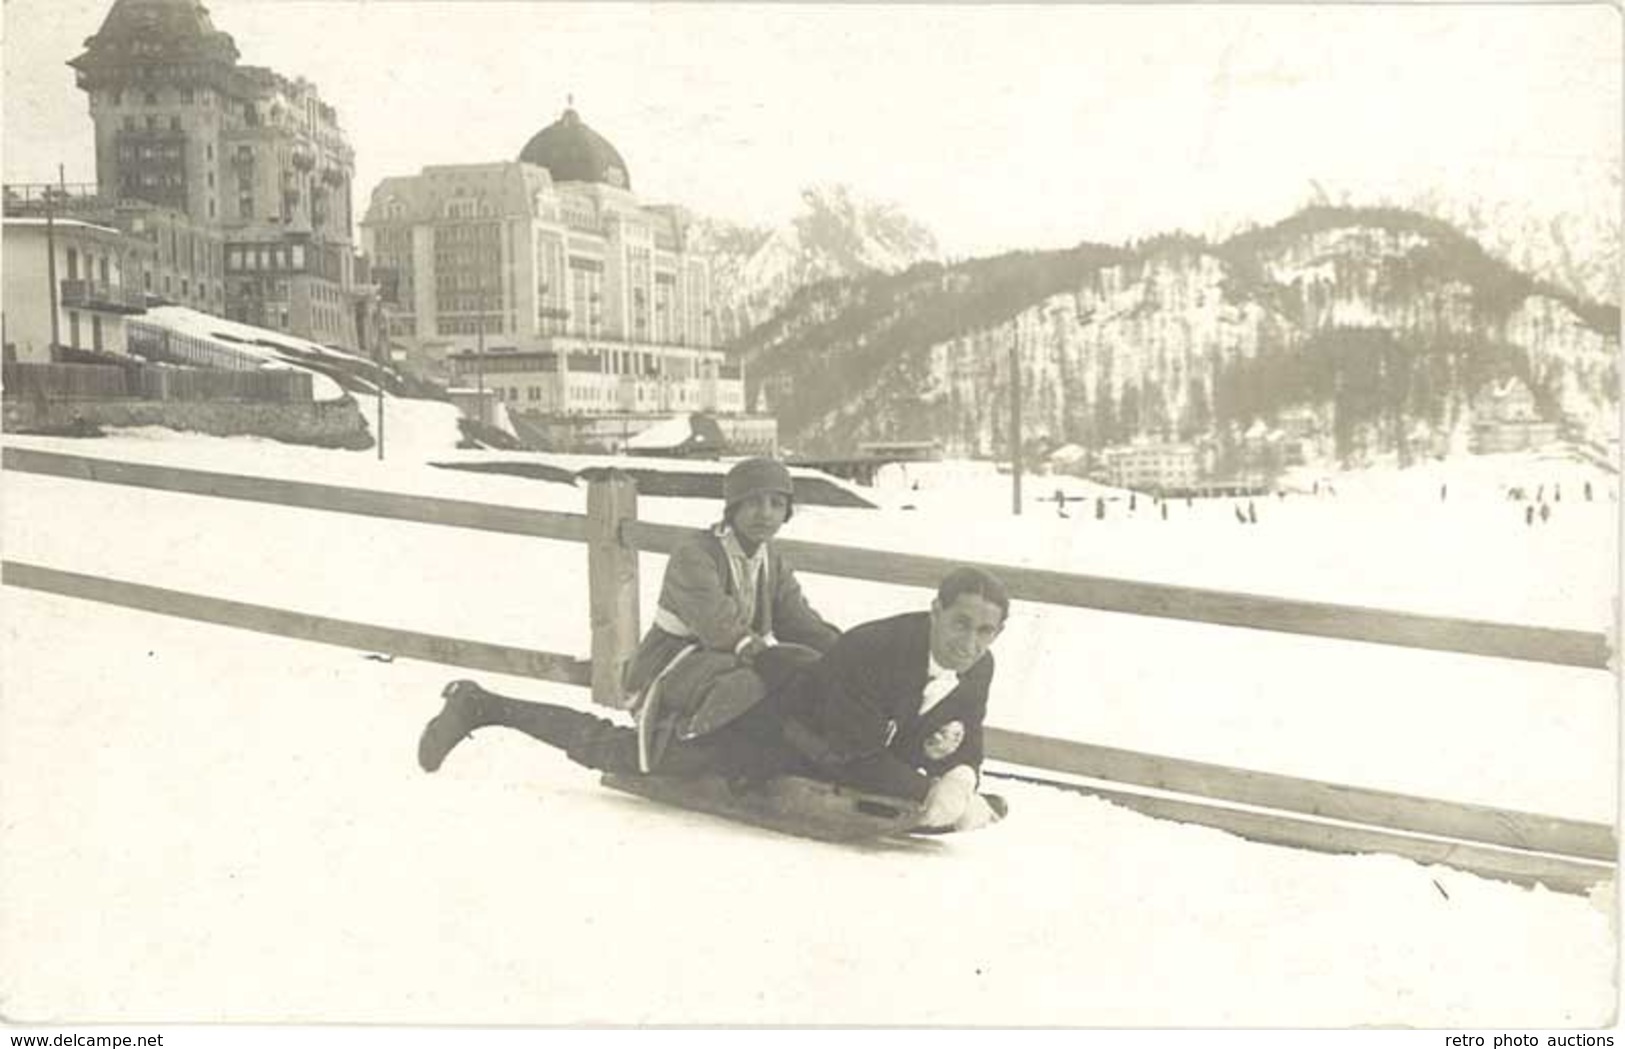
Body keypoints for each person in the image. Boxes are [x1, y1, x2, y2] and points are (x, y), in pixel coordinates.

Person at [417, 566, 1013, 833]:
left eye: (986, 631)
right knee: (623, 753)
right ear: (935, 611)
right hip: (754, 725)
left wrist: (960, 775)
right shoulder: (874, 648)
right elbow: (856, 755)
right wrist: (932, 792)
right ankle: (483, 704)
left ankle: (486, 705)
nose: (970, 643)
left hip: (820, 741)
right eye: (961, 624)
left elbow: (966, 732)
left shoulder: (977, 667)